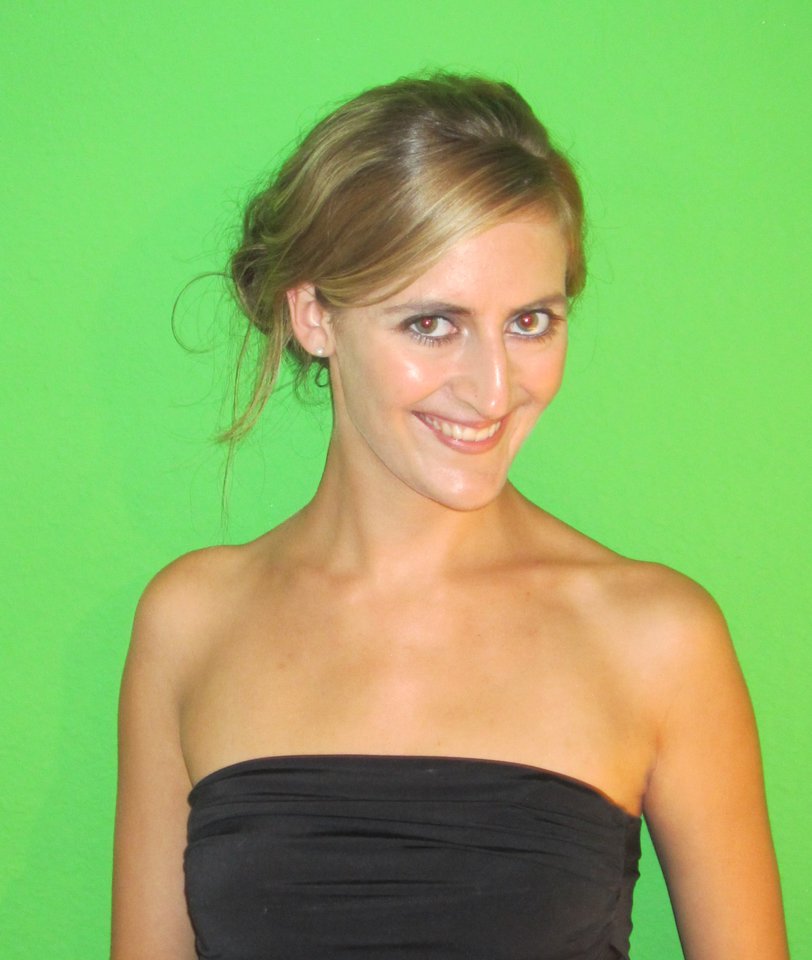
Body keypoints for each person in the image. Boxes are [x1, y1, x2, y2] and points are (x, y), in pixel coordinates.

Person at [111, 73, 789, 960]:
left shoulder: (657, 636)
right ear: (314, 316)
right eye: (433, 324)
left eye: (531, 321)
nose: (494, 390)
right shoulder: (192, 621)